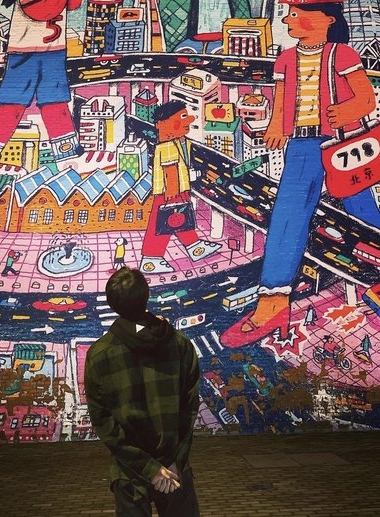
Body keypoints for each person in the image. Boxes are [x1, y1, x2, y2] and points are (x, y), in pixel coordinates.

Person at [221, 0, 375, 348]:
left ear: (327, 19)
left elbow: (366, 99)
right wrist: (276, 127)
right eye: (289, 13)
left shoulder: (342, 54)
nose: (289, 19)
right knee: (288, 213)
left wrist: (346, 110)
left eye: (298, 13)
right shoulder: (286, 59)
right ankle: (273, 300)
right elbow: (280, 102)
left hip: (343, 144)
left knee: (362, 210)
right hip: (303, 146)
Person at [84, 267, 201, 517]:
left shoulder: (99, 355)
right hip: (174, 469)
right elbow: (189, 410)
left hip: (129, 473)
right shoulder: (180, 345)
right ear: (146, 296)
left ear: (112, 304)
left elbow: (104, 423)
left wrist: (149, 469)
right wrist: (174, 462)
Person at [0, 0, 83, 185]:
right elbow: (43, 10)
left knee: (50, 104)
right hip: (31, 51)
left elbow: (72, 5)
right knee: (18, 105)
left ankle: (68, 156)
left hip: (46, 49)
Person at [140, 100, 222, 274]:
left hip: (177, 190)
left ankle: (195, 247)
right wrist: (173, 192)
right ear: (163, 124)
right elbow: (170, 169)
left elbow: (182, 166)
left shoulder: (178, 142)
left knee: (180, 220)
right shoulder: (167, 146)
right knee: (162, 224)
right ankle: (151, 259)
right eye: (182, 117)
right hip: (169, 192)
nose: (189, 120)